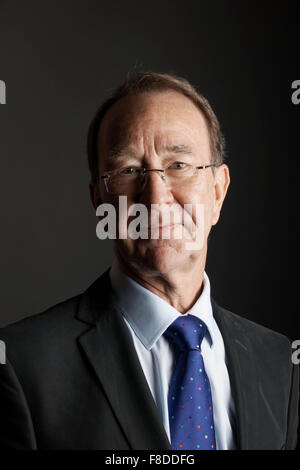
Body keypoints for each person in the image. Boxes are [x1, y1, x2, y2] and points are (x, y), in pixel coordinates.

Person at [0, 72, 298, 450]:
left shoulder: (281, 364)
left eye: (178, 165)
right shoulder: (22, 365)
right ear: (99, 202)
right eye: (128, 172)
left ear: (218, 192)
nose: (156, 199)